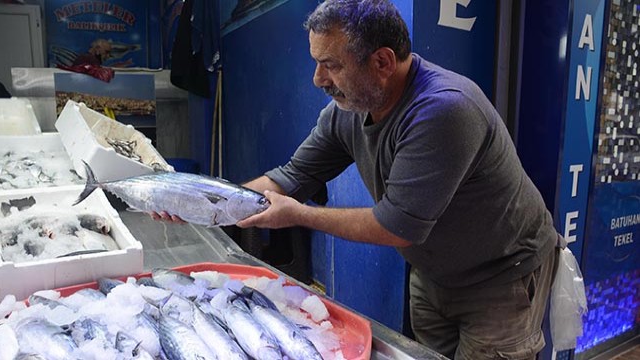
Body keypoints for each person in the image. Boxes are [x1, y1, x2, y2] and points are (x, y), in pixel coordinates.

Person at [154, 0, 562, 358]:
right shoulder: (345, 112)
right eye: (316, 63)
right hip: (434, 274)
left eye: (331, 65)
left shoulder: (443, 111)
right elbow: (291, 177)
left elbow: (395, 226)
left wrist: (299, 215)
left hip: (502, 278)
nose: (318, 79)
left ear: (382, 62)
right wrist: (200, 205)